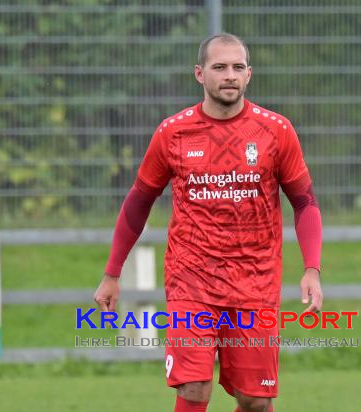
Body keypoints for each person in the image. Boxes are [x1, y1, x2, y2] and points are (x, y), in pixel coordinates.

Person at [93, 33, 323, 412]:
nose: (229, 75)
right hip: (192, 279)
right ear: (200, 74)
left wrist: (312, 269)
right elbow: (138, 202)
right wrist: (112, 272)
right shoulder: (173, 133)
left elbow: (305, 202)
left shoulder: (276, 131)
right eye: (219, 67)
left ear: (249, 74)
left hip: (255, 282)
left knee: (256, 401)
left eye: (237, 67)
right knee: (194, 386)